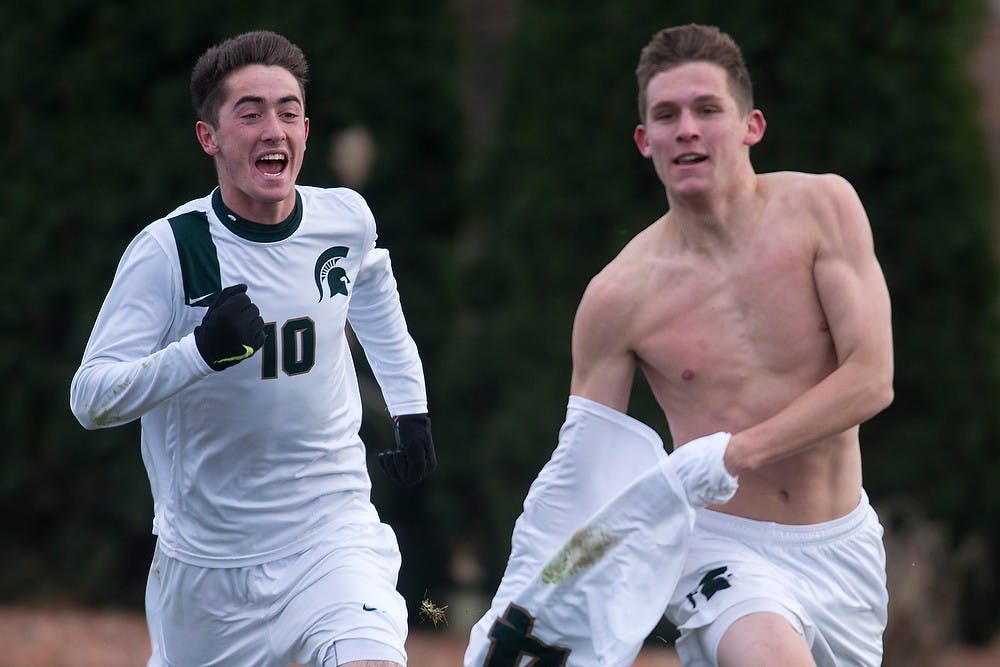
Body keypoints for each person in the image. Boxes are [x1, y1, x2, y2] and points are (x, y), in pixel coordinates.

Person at [466, 23, 892, 667]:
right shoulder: (618, 298)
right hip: (720, 548)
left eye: (707, 109)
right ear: (645, 141)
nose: (686, 128)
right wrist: (532, 600)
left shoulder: (823, 209)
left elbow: (871, 378)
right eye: (666, 115)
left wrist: (734, 452)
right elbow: (586, 477)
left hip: (843, 544)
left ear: (751, 126)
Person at [69, 30, 436, 667]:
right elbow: (90, 397)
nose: (275, 129)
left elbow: (372, 287)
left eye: (289, 112)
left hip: (331, 534)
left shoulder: (344, 219)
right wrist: (197, 353)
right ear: (209, 137)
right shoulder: (171, 251)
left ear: (306, 129)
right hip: (209, 572)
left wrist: (411, 407)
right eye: (251, 113)